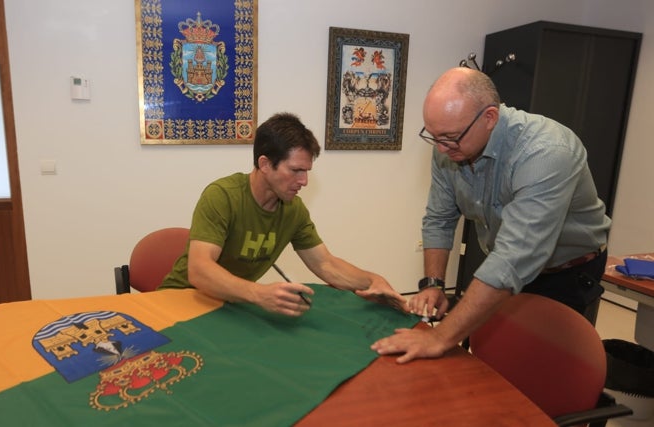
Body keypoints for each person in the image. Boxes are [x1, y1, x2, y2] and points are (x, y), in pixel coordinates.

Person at [371, 67, 611, 363]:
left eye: (449, 138)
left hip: (566, 273)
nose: (442, 149)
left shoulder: (546, 151)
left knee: (543, 368)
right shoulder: (449, 146)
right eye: (433, 137)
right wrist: (433, 284)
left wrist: (439, 336)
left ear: (489, 118)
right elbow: (439, 218)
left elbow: (515, 257)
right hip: (502, 262)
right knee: (485, 357)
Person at [160, 112, 405, 316]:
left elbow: (325, 263)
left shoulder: (293, 210)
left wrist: (373, 280)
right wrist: (259, 294)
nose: (304, 181)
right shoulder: (222, 196)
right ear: (265, 164)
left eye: (307, 171)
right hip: (182, 299)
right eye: (296, 170)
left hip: (230, 305)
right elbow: (200, 270)